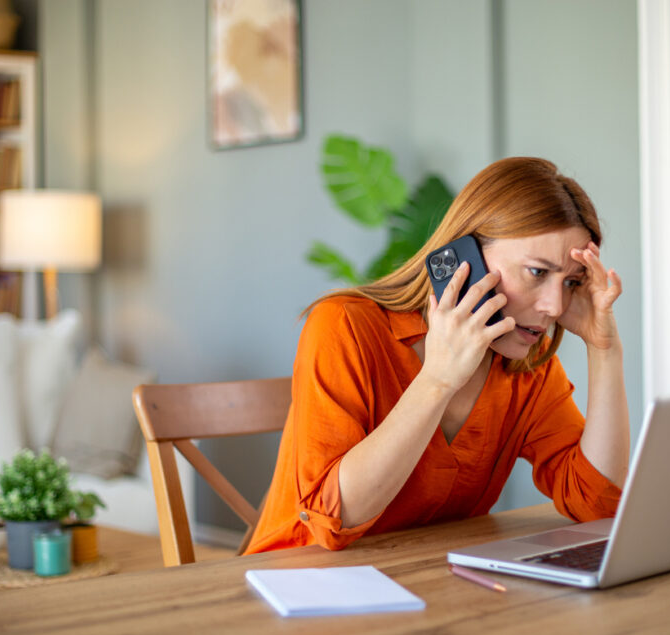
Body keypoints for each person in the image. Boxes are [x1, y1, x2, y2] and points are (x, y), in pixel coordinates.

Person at [245, 157, 629, 554]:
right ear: (467, 258)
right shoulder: (344, 327)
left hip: (424, 583)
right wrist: (438, 380)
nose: (554, 305)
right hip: (295, 579)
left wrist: (605, 350)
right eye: (536, 272)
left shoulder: (525, 363)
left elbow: (596, 504)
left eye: (571, 282)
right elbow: (334, 521)